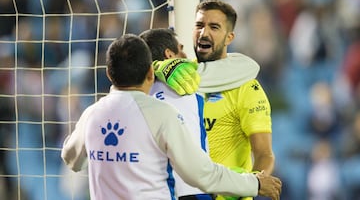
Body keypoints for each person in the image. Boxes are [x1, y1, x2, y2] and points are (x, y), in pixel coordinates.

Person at [60, 34, 282, 199]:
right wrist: (253, 183)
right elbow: (200, 174)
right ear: (150, 72)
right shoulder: (161, 114)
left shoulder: (92, 114)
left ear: (109, 74)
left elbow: (71, 159)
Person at [156, 0, 276, 199]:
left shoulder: (246, 86)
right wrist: (157, 67)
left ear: (229, 37)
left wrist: (248, 185)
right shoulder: (179, 75)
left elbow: (264, 153)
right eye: (199, 25)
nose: (204, 33)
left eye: (214, 27)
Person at [139, 28, 211, 199]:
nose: (186, 55)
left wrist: (155, 67)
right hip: (194, 189)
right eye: (181, 49)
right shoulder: (194, 88)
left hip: (155, 191)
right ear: (170, 55)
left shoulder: (136, 96)